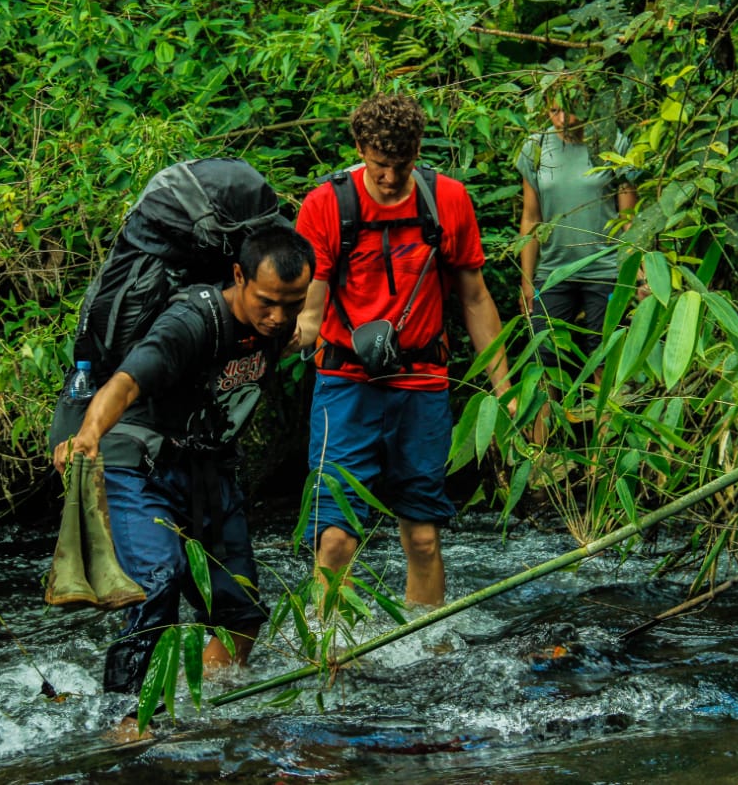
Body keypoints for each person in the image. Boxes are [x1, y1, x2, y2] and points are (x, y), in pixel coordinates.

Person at [50, 223, 315, 704]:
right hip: (139, 462)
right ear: (238, 276)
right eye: (266, 302)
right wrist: (86, 436)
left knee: (241, 614)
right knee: (158, 582)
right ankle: (129, 717)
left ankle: (191, 707)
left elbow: (307, 333)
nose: (279, 317)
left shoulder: (277, 328)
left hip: (208, 470)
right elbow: (127, 383)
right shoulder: (192, 322)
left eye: (292, 304)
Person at [294, 93, 512, 608]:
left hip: (422, 385)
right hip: (346, 385)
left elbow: (475, 297)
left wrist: (505, 391)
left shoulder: (447, 200)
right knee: (334, 538)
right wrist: (293, 333)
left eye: (401, 166)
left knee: (422, 535)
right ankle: (327, 652)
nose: (390, 179)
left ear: (418, 152)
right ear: (359, 150)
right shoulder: (326, 203)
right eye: (379, 166)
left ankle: (426, 651)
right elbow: (310, 307)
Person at [517, 74, 637, 455]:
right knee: (544, 362)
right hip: (553, 271)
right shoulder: (536, 148)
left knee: (604, 359)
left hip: (605, 269)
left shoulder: (612, 142)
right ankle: (540, 463)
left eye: (569, 109)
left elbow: (629, 217)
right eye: (553, 110)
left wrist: (637, 272)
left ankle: (605, 462)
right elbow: (530, 217)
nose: (562, 118)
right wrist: (526, 278)